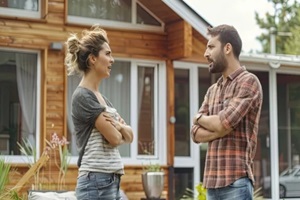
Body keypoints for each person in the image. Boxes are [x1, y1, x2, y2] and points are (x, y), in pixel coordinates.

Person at [191, 24, 263, 200]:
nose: (206, 53)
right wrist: (206, 123)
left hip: (236, 183)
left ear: (228, 48)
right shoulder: (212, 90)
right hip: (211, 185)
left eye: (211, 47)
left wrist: (201, 119)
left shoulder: (248, 82)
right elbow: (195, 134)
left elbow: (222, 122)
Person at [65, 25, 134, 200]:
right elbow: (116, 138)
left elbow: (130, 136)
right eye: (108, 54)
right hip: (95, 181)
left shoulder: (103, 100)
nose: (112, 60)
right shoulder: (83, 96)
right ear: (93, 59)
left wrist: (117, 125)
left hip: (110, 179)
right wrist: (120, 129)